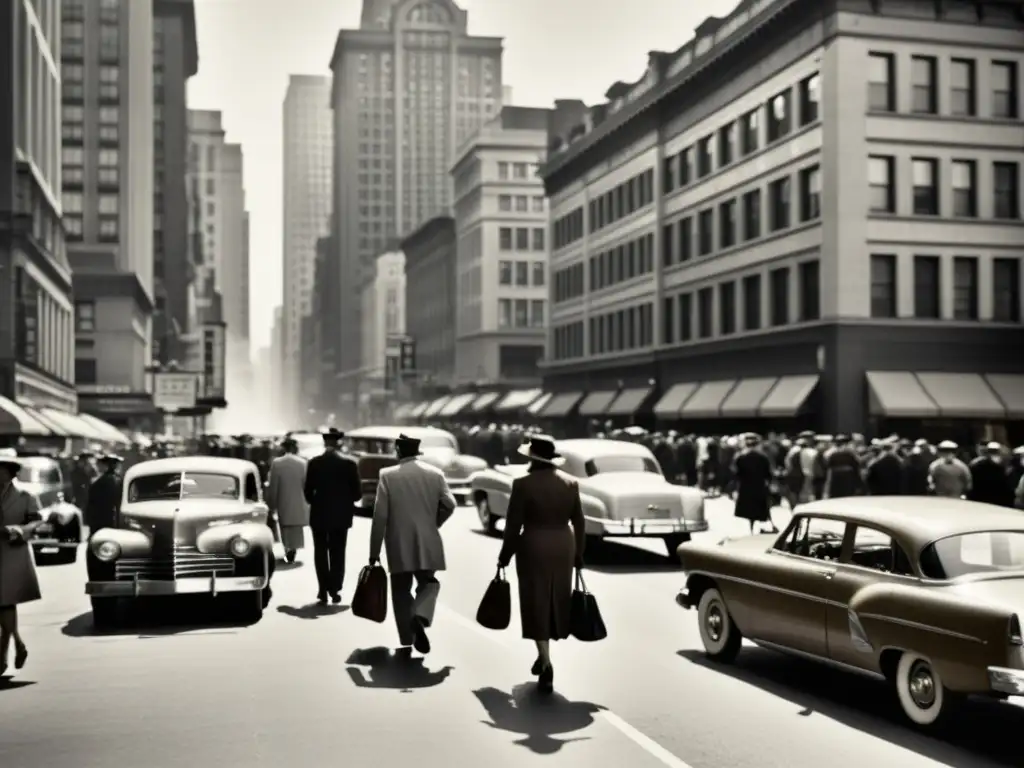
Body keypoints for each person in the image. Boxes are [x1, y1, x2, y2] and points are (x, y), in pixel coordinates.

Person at [497, 435, 585, 695]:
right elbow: (579, 521)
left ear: (531, 458)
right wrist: (579, 554)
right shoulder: (571, 483)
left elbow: (513, 525)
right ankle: (544, 654)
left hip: (533, 545)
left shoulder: (522, 484)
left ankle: (545, 660)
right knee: (556, 599)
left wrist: (505, 555)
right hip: (562, 546)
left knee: (535, 601)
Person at [369, 433, 456, 656]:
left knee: (400, 590)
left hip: (398, 541)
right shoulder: (435, 474)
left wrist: (374, 552)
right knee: (429, 583)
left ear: (398, 452)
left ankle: (408, 636)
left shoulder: (387, 476)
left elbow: (380, 517)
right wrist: (434, 522)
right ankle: (420, 615)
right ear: (417, 452)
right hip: (428, 539)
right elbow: (450, 504)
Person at [303, 428, 361, 605]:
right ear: (339, 443)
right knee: (338, 552)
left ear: (324, 443)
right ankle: (334, 588)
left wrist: (318, 501)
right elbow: (357, 494)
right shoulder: (350, 464)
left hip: (319, 514)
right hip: (341, 516)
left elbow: (307, 492)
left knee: (320, 551)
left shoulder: (314, 463)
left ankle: (322, 588)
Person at [0, 456, 44, 676]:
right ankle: (16, 644)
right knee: (4, 603)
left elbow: (36, 520)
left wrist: (19, 530)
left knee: (5, 602)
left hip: (12, 552)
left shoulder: (25, 496)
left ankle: (4, 654)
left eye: (2, 470)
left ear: (11, 473)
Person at [266, 436, 308, 563]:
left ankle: (288, 549)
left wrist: (271, 504)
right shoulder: (302, 463)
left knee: (285, 527)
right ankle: (293, 550)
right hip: (299, 500)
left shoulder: (277, 463)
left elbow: (273, 486)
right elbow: (306, 484)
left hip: (283, 500)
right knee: (296, 528)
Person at [733, 433, 776, 533]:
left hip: (746, 487)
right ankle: (758, 524)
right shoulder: (763, 457)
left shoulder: (741, 457)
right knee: (759, 508)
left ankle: (751, 527)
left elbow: (737, 474)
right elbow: (768, 474)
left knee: (749, 509)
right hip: (759, 486)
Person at [85, 454, 123, 533]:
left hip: (100, 518)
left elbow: (91, 502)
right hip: (113, 517)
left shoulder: (100, 481)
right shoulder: (118, 480)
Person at [968, 442, 1013, 507]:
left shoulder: (1001, 466)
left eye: (995, 451)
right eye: (992, 451)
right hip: (982, 499)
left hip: (997, 500)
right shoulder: (977, 465)